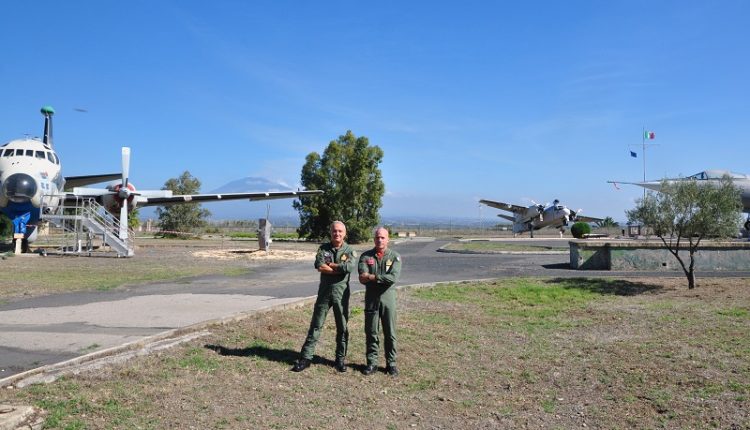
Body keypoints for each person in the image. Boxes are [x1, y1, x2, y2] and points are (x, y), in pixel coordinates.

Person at [292, 221, 356, 373]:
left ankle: (340, 359)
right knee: (316, 325)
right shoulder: (323, 248)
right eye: (334, 231)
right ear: (331, 232)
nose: (337, 234)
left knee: (342, 327)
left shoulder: (349, 250)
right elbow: (319, 265)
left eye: (340, 231)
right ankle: (306, 358)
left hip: (341, 294)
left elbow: (349, 267)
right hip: (324, 293)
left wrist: (332, 266)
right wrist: (338, 269)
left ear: (344, 233)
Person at [358, 227, 402, 376]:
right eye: (377, 237)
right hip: (371, 299)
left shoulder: (395, 257)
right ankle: (372, 363)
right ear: (374, 239)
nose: (380, 240)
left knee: (390, 332)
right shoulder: (365, 256)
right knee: (371, 332)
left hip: (388, 299)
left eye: (383, 237)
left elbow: (393, 278)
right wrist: (377, 278)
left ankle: (391, 363)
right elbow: (362, 276)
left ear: (388, 239)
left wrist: (373, 277)